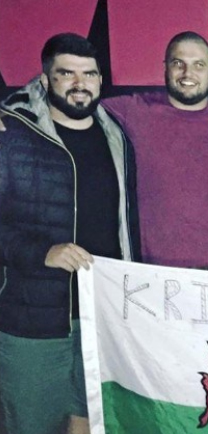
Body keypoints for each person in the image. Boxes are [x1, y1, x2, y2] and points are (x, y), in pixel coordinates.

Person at [0, 33, 140, 434]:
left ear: (100, 80)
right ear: (45, 80)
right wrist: (41, 252)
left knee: (90, 422)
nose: (80, 83)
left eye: (89, 74)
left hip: (102, 316)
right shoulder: (11, 135)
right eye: (66, 73)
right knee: (33, 425)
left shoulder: (117, 135)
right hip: (35, 322)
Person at [100, 31, 208, 270]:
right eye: (179, 64)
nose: (188, 73)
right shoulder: (135, 111)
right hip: (152, 269)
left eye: (198, 65)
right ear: (165, 69)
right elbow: (73, 103)